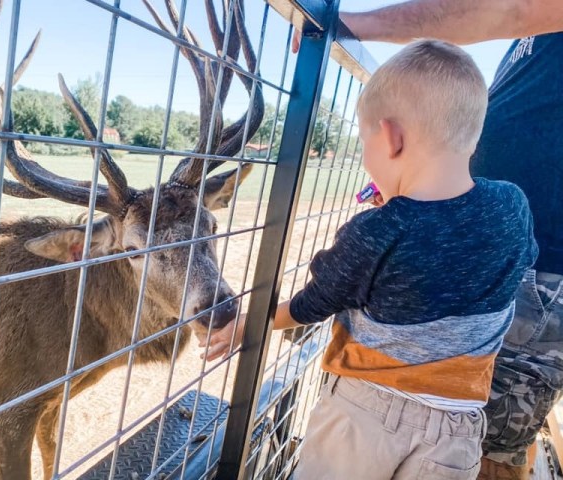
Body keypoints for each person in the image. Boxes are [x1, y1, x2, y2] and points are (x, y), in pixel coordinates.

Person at [204, 39, 537, 479]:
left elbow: (312, 305)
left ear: (391, 137)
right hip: (460, 424)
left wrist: (252, 323)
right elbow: (513, 263)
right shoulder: (511, 205)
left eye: (365, 141)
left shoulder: (378, 229)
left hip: (366, 415)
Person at [291, 2, 563, 478]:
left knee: (493, 450)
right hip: (511, 264)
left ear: (388, 139)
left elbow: (509, 10)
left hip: (534, 278)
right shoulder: (511, 199)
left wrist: (345, 21)